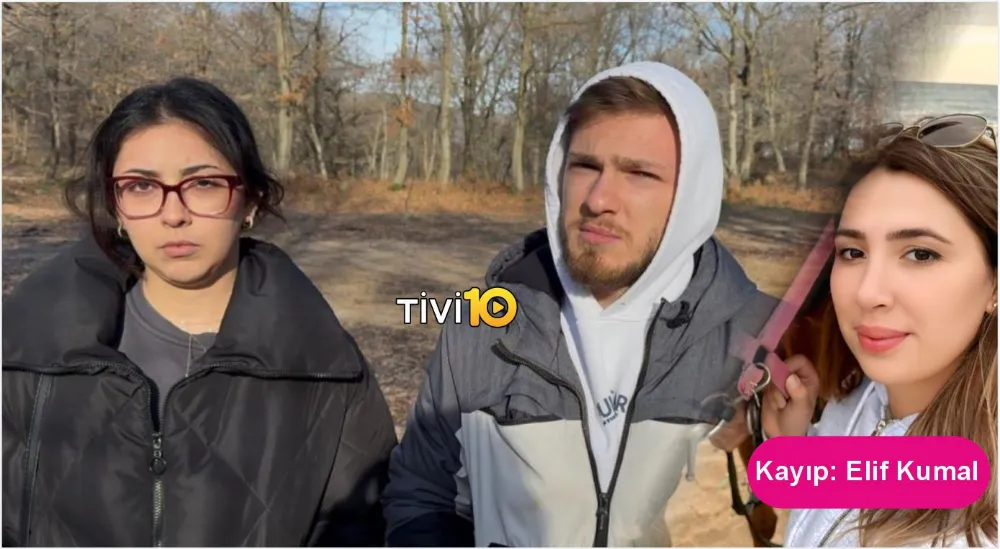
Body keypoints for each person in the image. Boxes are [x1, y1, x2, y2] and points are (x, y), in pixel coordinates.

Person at [381, 61, 776, 547]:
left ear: (691, 195)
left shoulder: (773, 340)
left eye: (639, 173)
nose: (598, 199)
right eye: (585, 166)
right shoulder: (480, 327)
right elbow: (421, 494)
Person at [2, 77, 397, 546]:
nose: (174, 214)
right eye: (141, 186)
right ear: (116, 206)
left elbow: (360, 530)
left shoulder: (327, 371)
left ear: (250, 199)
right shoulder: (27, 353)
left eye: (204, 183)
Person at [761, 114, 998, 547]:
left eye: (921, 254)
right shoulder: (862, 396)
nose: (867, 293)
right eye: (852, 252)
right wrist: (795, 444)